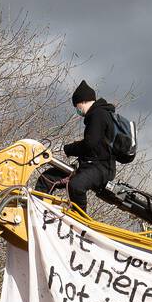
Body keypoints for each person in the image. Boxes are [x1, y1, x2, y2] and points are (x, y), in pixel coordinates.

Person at [62, 80, 117, 213]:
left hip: (101, 168)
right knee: (52, 176)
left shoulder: (98, 115)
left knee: (76, 186)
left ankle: (80, 222)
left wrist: (69, 148)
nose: (77, 110)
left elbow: (90, 144)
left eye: (77, 106)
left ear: (82, 102)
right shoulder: (99, 114)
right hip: (93, 165)